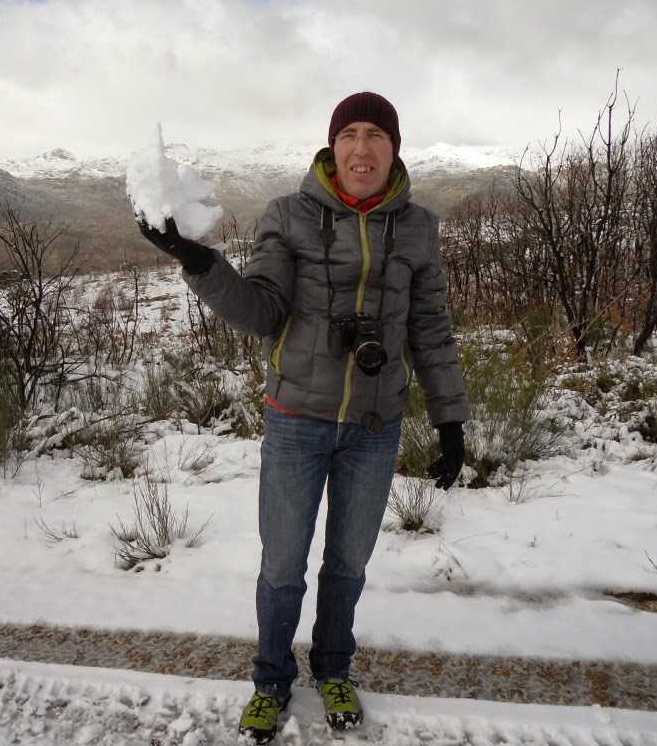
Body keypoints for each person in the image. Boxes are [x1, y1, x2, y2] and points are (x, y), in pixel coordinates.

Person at [135, 92, 468, 743]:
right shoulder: (288, 215)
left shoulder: (419, 227)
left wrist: (449, 420)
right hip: (296, 422)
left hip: (374, 427)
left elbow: (430, 328)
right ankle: (270, 679)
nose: (362, 148)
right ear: (332, 147)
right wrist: (197, 261)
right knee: (283, 565)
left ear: (394, 149)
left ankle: (333, 668)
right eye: (351, 134)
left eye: (376, 135)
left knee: (347, 565)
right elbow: (261, 311)